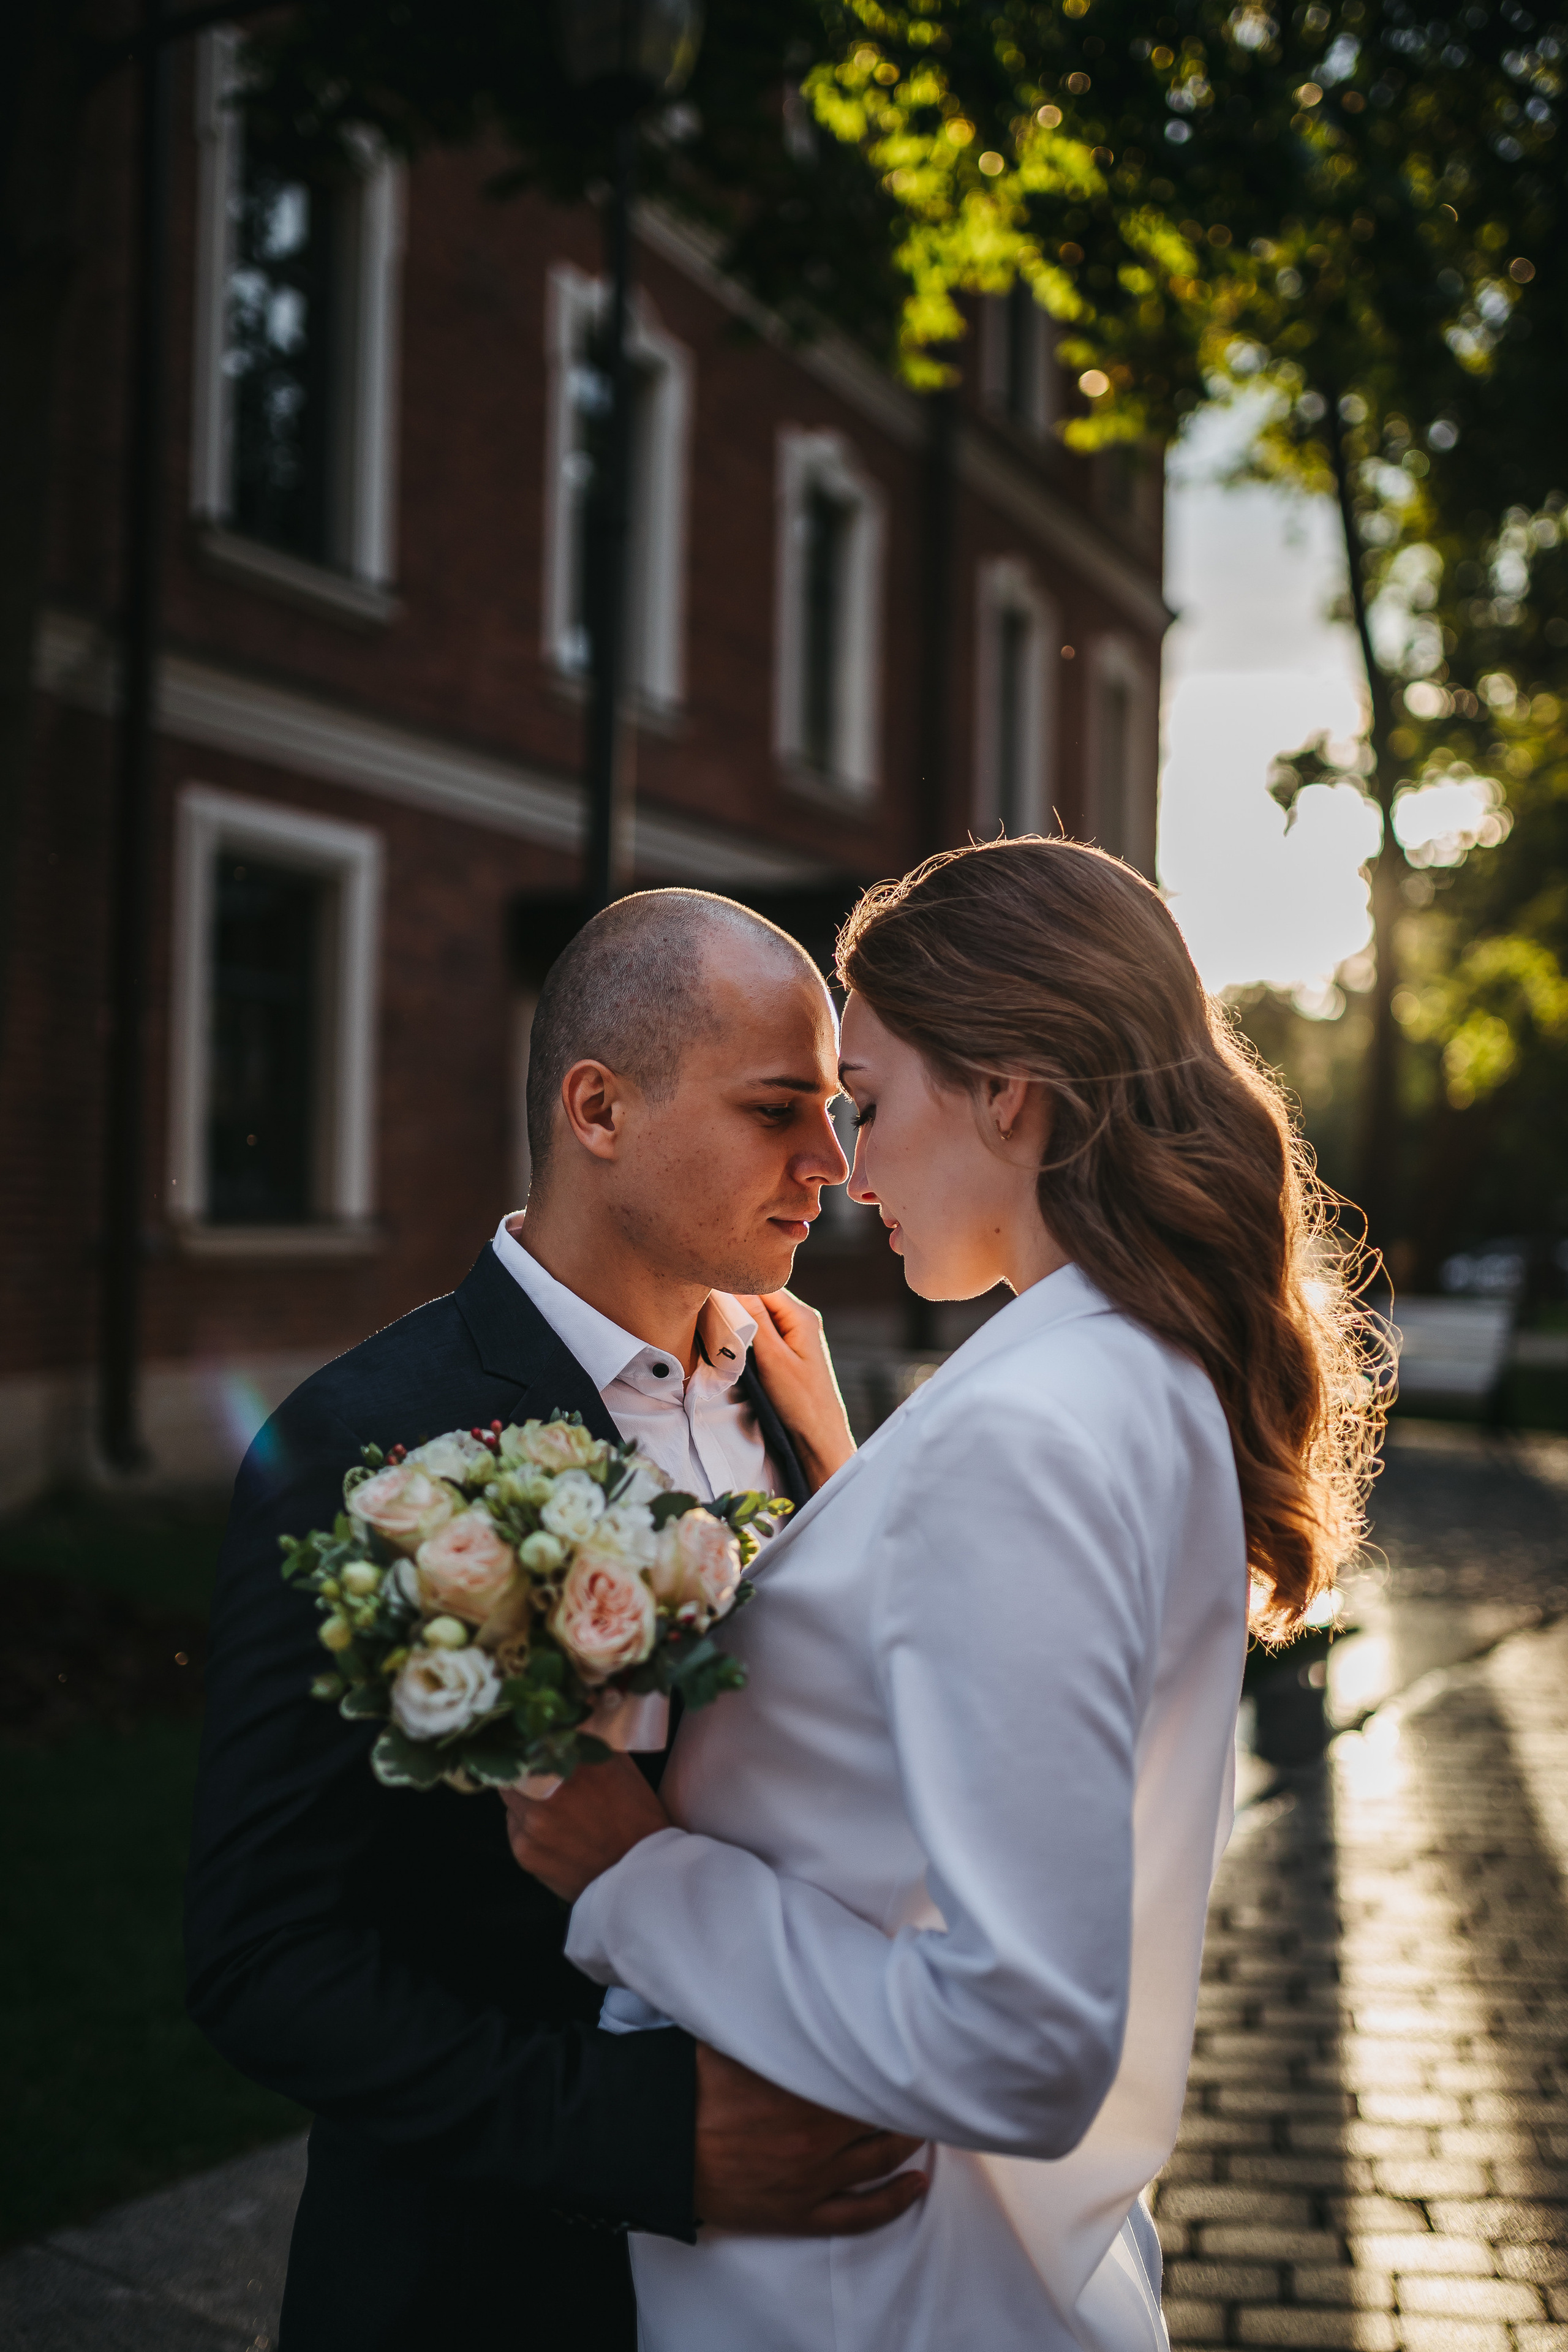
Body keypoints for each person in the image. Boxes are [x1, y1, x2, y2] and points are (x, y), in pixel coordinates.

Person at [506, 838, 1379, 2352]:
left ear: (1009, 1092)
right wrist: (858, 1490)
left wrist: (635, 1879)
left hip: (871, 2287)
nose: (848, 1170)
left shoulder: (1025, 1432)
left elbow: (1021, 2045)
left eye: (869, 1099)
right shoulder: (1129, 1373)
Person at [184, 889, 925, 2352]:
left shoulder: (799, 1397)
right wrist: (643, 2138)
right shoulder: (368, 1442)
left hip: (802, 2293)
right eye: (776, 1109)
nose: (832, 1165)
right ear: (597, 1108)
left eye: (836, 1111)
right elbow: (261, 1955)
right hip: (489, 2284)